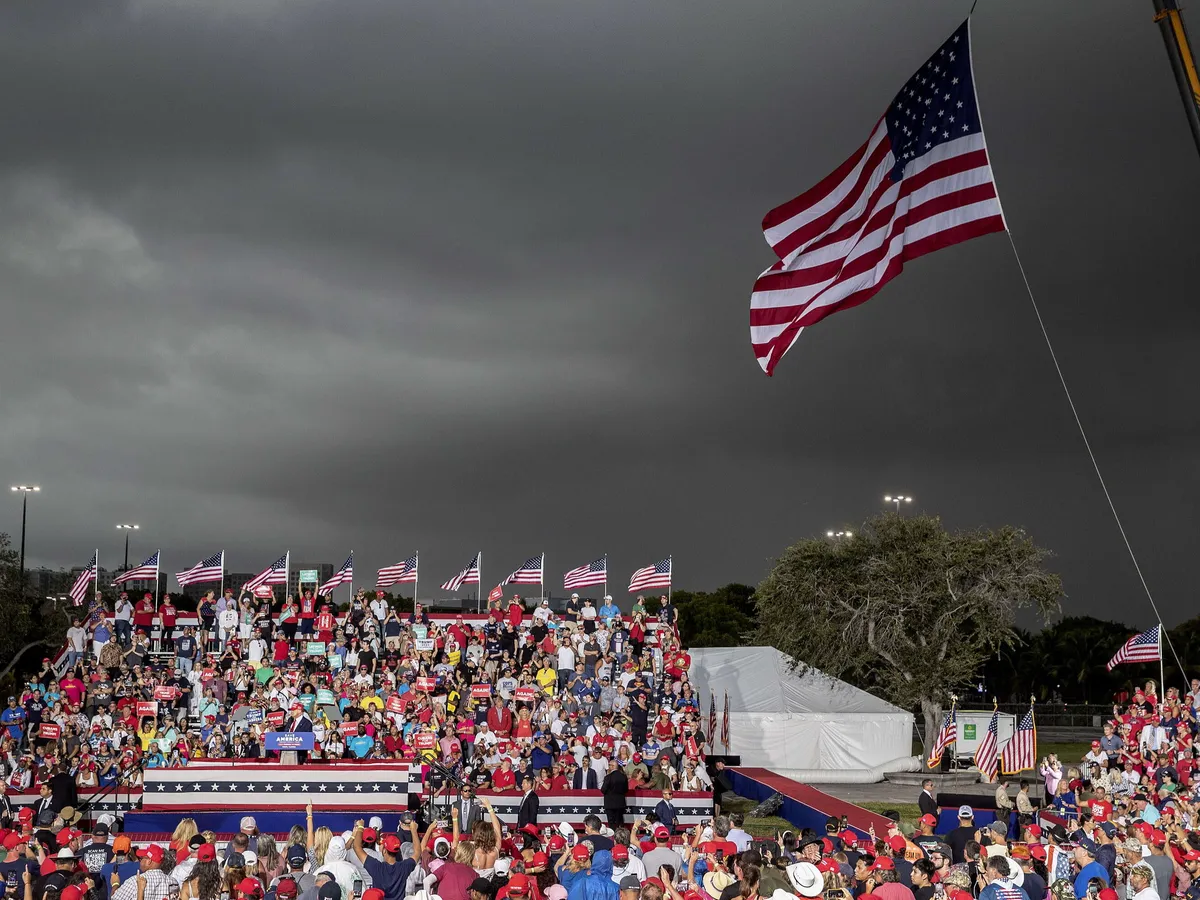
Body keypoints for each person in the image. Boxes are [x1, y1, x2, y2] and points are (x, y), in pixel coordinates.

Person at [351, 821, 421, 900]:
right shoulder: (404, 867)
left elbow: (356, 847)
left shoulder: (376, 867)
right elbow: (418, 852)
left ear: (384, 851)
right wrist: (413, 830)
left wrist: (360, 827)